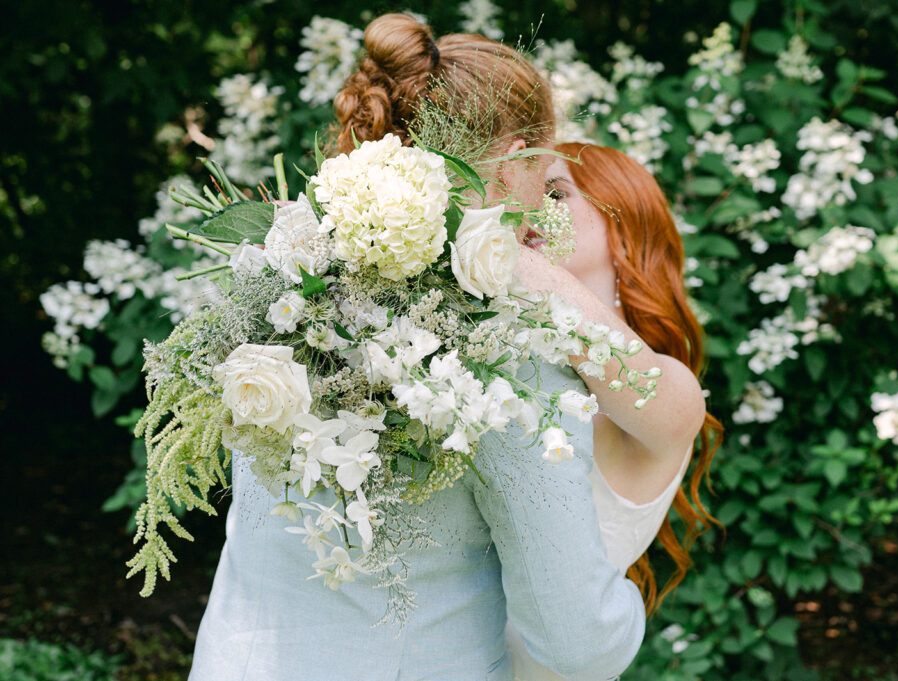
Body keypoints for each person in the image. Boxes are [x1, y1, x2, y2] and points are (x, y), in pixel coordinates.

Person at [188, 15, 646, 681]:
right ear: (514, 160)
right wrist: (627, 603)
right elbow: (576, 641)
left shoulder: (280, 277)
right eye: (545, 179)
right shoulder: (501, 343)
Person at [507, 143, 721, 680]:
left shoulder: (673, 391)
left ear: (625, 230)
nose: (527, 211)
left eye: (554, 193)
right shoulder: (489, 365)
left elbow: (563, 311)